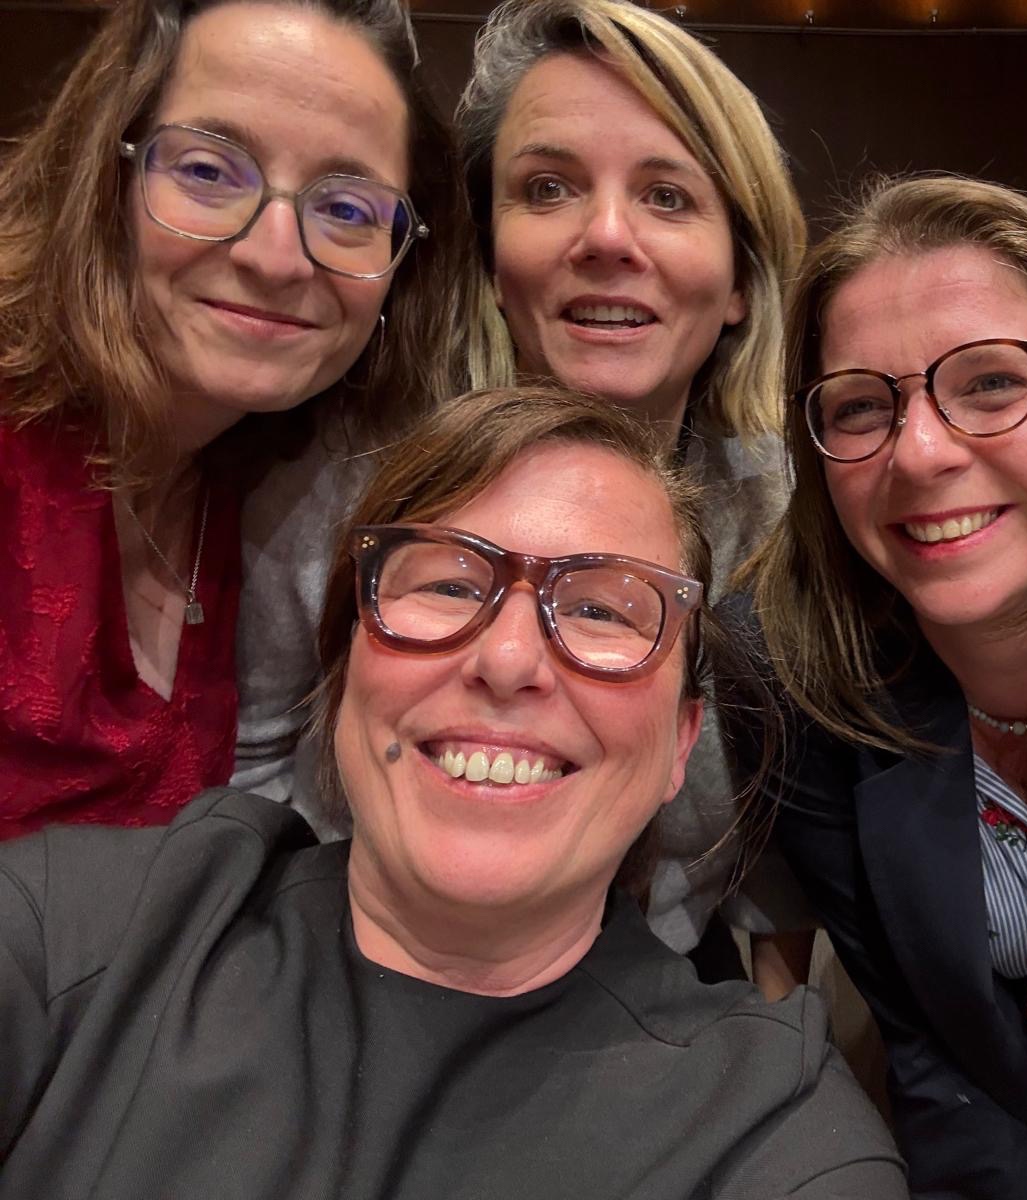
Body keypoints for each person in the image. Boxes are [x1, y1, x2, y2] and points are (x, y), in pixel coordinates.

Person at [0, 385, 908, 1200]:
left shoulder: (770, 1133)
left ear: (680, 743)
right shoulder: (75, 935)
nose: (507, 660)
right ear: (343, 672)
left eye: (600, 609)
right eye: (446, 584)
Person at [726, 174, 1027, 1198]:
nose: (921, 453)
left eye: (989, 383)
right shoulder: (789, 676)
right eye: (860, 405)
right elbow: (946, 1062)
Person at [0, 0, 472, 836]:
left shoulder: (252, 470)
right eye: (209, 172)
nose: (275, 258)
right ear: (104, 180)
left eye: (348, 209)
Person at [455, 0, 812, 984]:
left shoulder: (786, 524)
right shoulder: (370, 497)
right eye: (548, 188)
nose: (607, 236)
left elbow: (777, 866)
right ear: (490, 257)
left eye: (666, 196)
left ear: (739, 280)